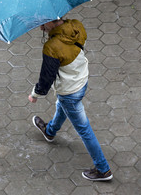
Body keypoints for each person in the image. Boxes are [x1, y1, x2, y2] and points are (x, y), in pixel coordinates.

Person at [28, 18, 113, 181]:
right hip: (82, 81)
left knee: (84, 129)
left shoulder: (52, 47)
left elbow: (46, 79)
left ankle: (103, 169)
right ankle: (50, 132)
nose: (41, 28)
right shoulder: (76, 25)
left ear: (52, 22)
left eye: (43, 24)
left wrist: (34, 94)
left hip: (69, 91)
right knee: (62, 106)